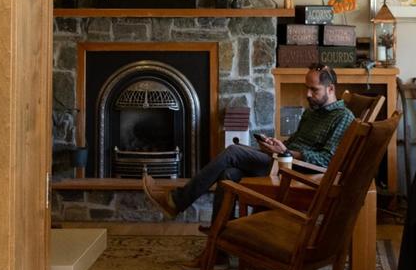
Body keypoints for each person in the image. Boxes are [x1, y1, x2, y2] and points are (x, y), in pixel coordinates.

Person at [142, 63, 354, 226]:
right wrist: (278, 145)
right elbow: (296, 142)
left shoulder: (343, 117)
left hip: (300, 174)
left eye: (314, 90)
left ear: (331, 89)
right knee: (229, 174)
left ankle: (176, 201)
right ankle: (220, 249)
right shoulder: (312, 112)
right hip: (282, 161)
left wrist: (288, 153)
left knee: (233, 151)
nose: (308, 94)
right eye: (306, 88)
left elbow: (328, 160)